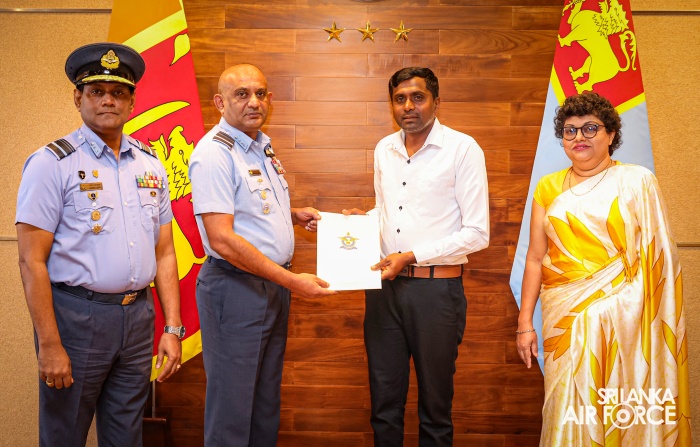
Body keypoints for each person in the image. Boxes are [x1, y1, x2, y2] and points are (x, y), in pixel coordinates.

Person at [15, 42, 184, 447]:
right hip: (77, 319)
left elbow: (164, 251)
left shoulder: (150, 163)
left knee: (127, 435)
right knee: (65, 434)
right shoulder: (51, 163)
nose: (108, 100)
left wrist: (172, 327)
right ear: (78, 98)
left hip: (138, 318)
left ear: (132, 101)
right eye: (96, 91)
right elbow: (30, 261)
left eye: (119, 92)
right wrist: (49, 344)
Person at [516, 92, 691, 446]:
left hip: (628, 319)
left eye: (590, 128)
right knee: (567, 406)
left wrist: (609, 309)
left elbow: (659, 260)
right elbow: (535, 258)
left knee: (619, 406)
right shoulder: (548, 187)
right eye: (570, 130)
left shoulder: (637, 181)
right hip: (563, 320)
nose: (579, 137)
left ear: (611, 134)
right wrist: (524, 324)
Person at [189, 63, 337, 447]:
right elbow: (221, 238)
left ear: (269, 99)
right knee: (233, 409)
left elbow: (247, 208)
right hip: (236, 288)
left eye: (259, 93)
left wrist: (292, 214)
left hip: (270, 287)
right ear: (220, 102)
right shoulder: (215, 154)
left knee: (264, 403)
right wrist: (292, 282)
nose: (253, 102)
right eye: (241, 94)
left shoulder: (259, 146)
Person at [345, 67, 489, 446]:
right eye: (400, 99)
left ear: (436, 102)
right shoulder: (384, 149)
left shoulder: (463, 149)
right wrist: (363, 221)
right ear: (391, 104)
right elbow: (388, 211)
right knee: (384, 406)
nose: (408, 106)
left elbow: (477, 233)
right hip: (383, 290)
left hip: (436, 294)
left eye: (418, 97)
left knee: (435, 410)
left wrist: (410, 256)